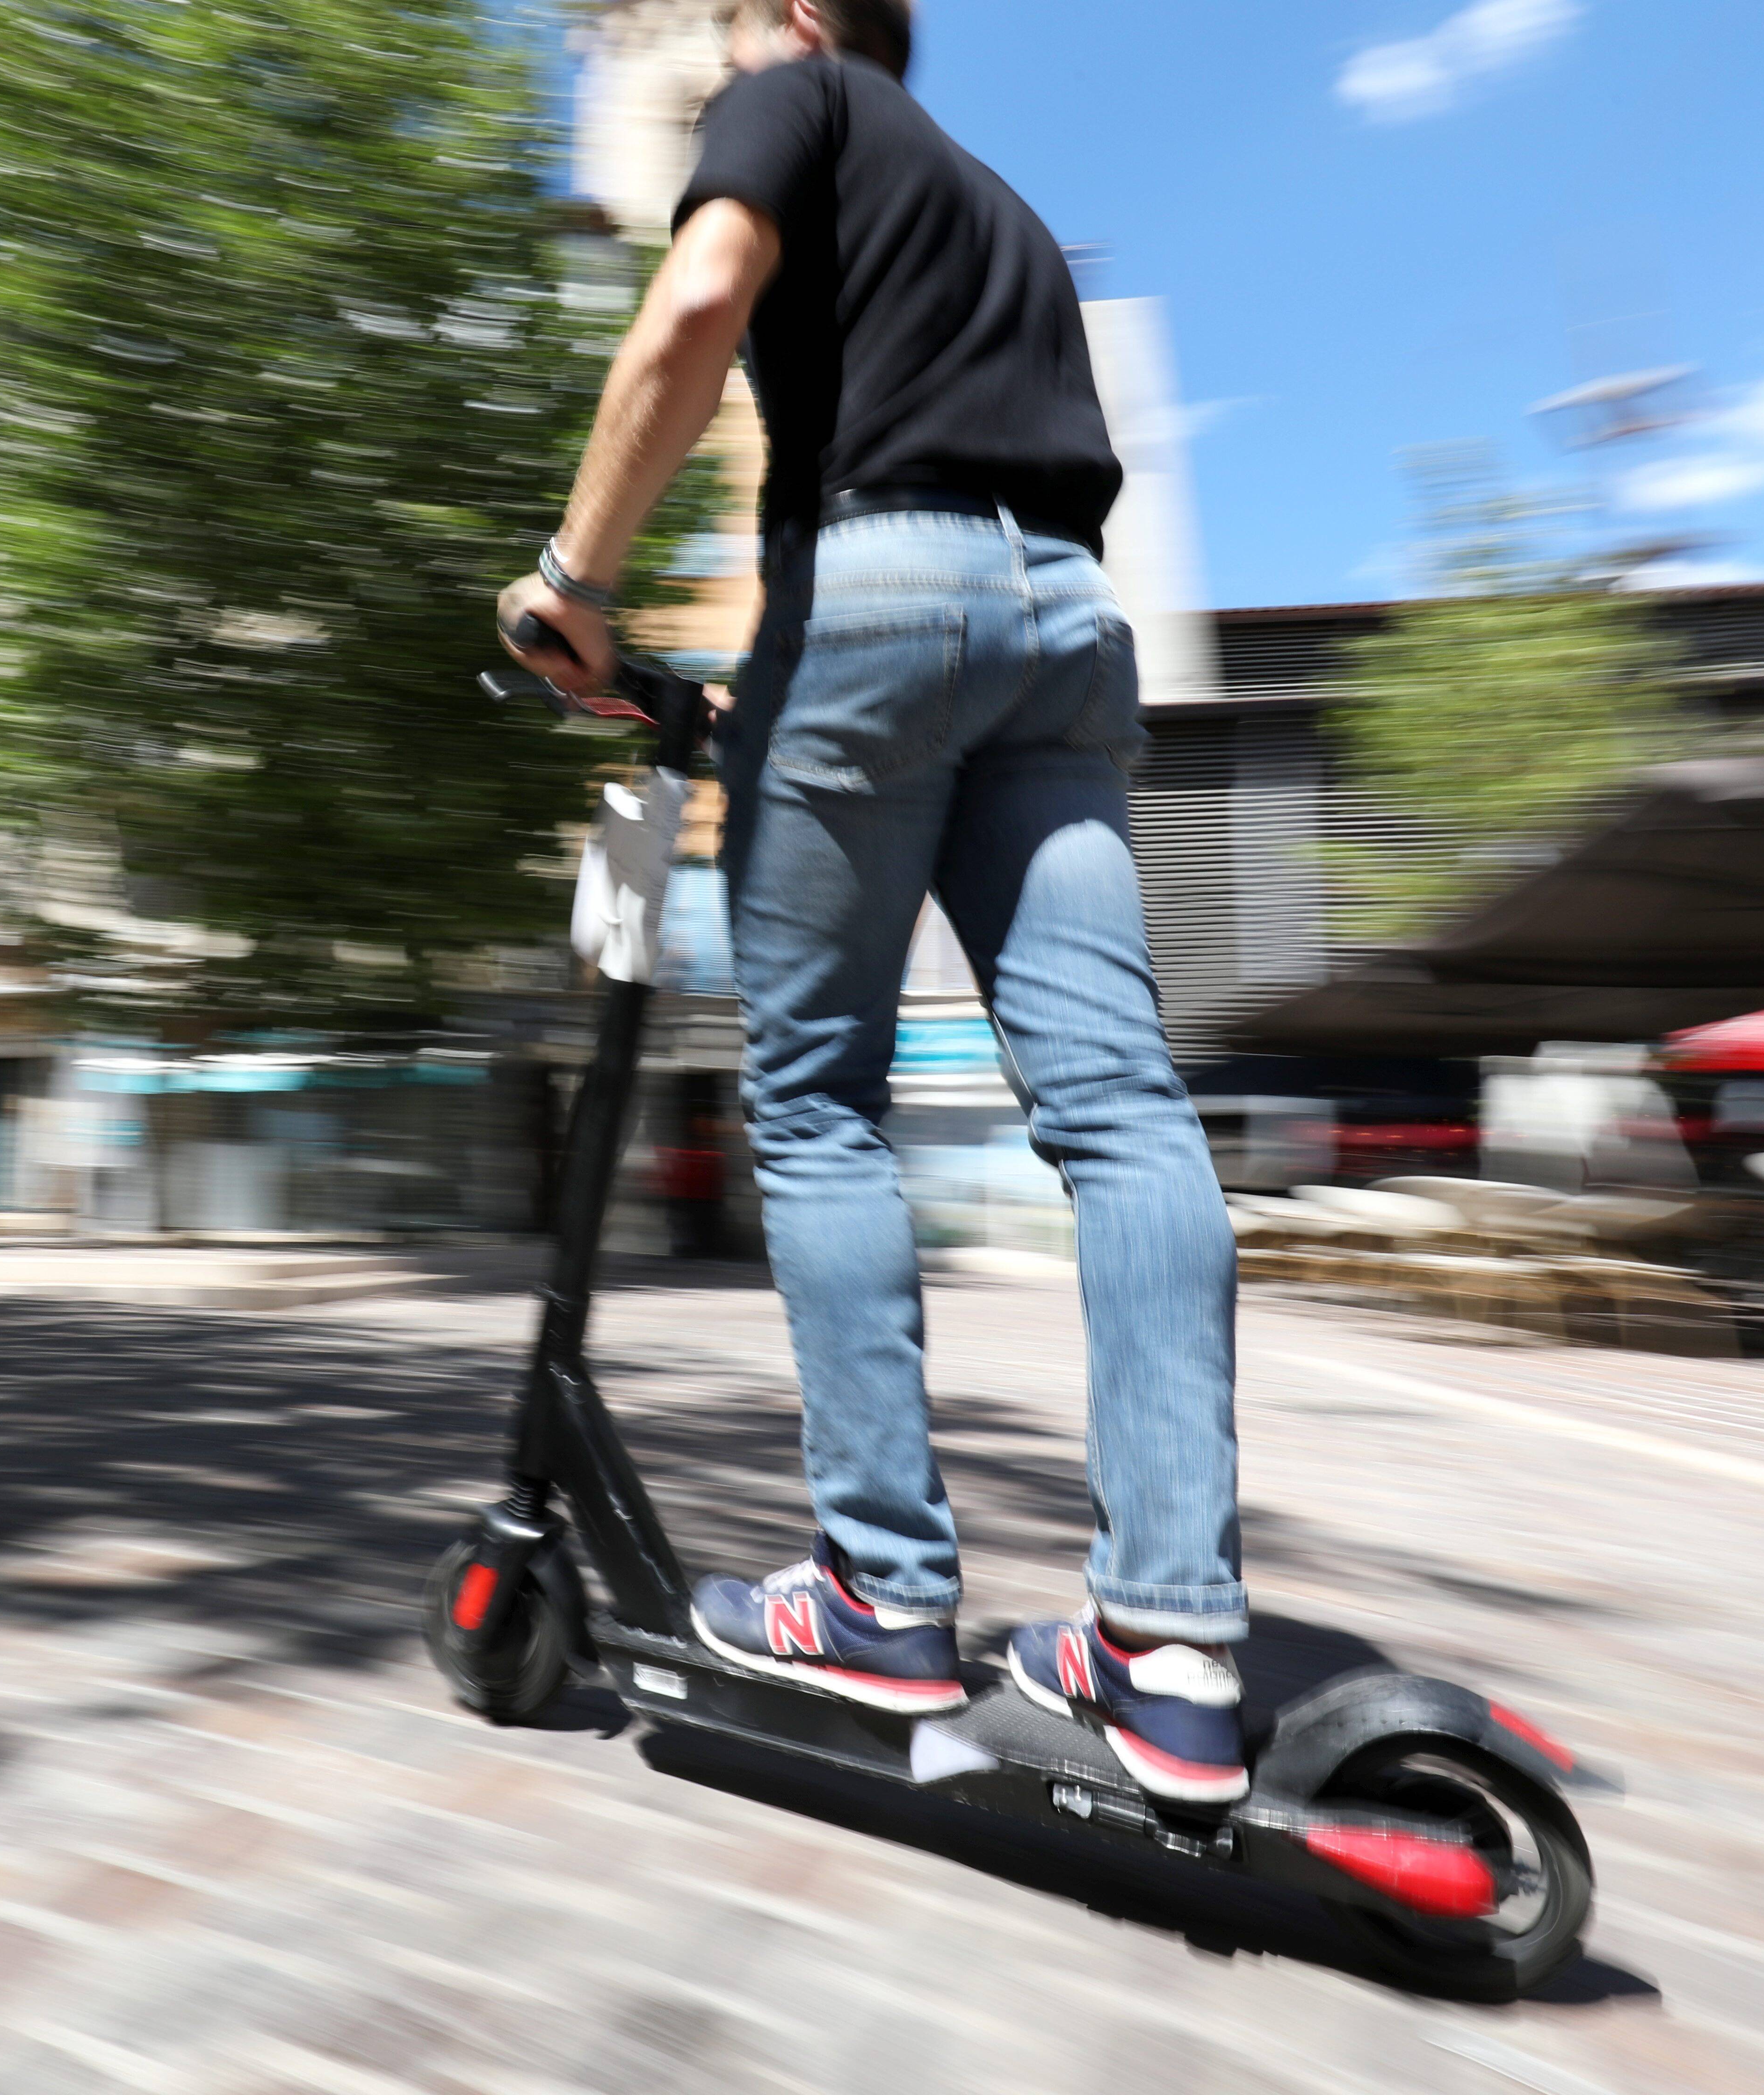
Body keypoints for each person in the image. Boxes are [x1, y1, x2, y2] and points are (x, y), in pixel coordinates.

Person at [496, 0, 1248, 1802]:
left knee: (815, 1103)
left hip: (875, 588)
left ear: (802, 21)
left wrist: (569, 582)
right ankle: (1172, 1651)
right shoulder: (998, 214)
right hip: (1062, 621)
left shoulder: (796, 104)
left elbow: (691, 313)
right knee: (1121, 1109)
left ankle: (880, 1601)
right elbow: (977, 536)